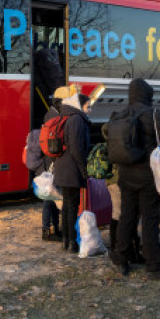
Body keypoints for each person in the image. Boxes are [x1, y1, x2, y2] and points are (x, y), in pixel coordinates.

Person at [108, 78, 160, 280]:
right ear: (148, 94)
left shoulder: (120, 114)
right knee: (150, 220)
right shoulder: (154, 115)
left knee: (126, 218)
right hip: (149, 178)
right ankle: (154, 266)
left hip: (125, 176)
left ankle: (121, 259)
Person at [52, 88, 91, 253]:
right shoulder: (76, 120)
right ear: (79, 105)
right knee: (71, 206)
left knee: (68, 205)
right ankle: (71, 242)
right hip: (71, 168)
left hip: (63, 167)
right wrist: (84, 170)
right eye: (88, 106)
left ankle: (66, 241)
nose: (89, 109)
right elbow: (76, 148)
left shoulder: (66, 117)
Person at [38, 86, 73, 242]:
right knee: (50, 195)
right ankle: (48, 229)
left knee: (52, 195)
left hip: (50, 160)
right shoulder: (54, 117)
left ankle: (53, 228)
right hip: (53, 160)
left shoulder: (50, 114)